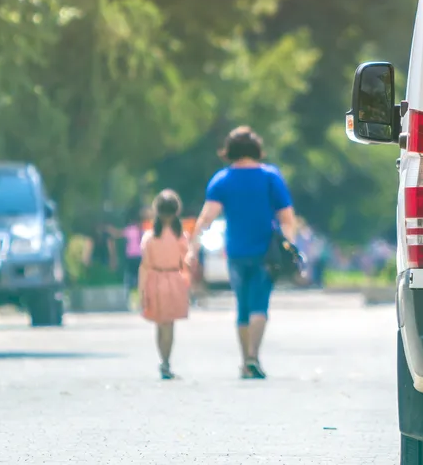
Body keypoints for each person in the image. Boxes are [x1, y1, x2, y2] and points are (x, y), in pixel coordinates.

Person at [190, 126, 296, 380]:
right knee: (260, 304)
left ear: (230, 151)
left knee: (243, 305)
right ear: (256, 149)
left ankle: (245, 361)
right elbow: (287, 218)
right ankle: (253, 356)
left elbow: (206, 218)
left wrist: (193, 247)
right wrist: (288, 245)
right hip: (265, 252)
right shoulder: (271, 177)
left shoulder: (222, 180)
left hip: (236, 252)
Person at [140, 190, 192, 380]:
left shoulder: (150, 236)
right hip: (174, 279)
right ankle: (166, 362)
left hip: (155, 279)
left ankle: (163, 360)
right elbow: (186, 262)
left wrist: (141, 290)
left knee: (159, 324)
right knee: (169, 325)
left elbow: (144, 265)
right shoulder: (181, 236)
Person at [122, 205, 152, 306]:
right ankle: (142, 299)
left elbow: (120, 234)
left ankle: (129, 300)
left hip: (131, 256)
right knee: (142, 278)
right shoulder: (145, 229)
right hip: (141, 256)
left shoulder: (130, 229)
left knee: (130, 278)